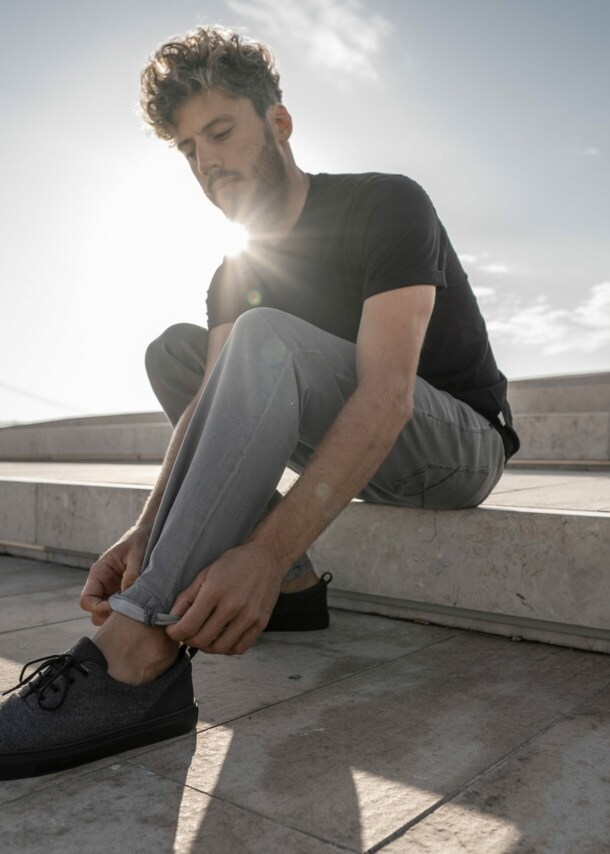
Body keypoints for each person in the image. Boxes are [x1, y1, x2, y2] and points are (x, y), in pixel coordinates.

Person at [0, 26, 519, 780]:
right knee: (178, 354)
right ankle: (298, 591)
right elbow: (207, 407)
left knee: (265, 334)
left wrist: (263, 555)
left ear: (278, 123)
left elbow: (387, 398)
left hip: (454, 450)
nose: (206, 162)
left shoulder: (385, 202)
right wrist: (146, 528)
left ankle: (137, 654)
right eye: (188, 149)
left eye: (219, 132)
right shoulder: (234, 270)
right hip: (349, 443)